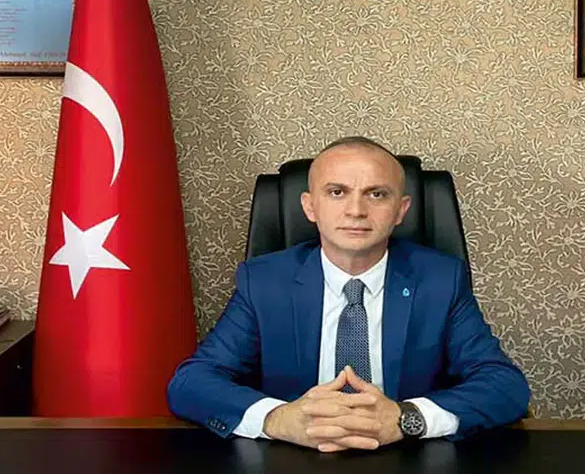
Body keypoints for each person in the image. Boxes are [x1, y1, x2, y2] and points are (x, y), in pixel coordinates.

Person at [167, 136, 530, 451]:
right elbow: (192, 382)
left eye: (377, 194)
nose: (356, 211)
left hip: (407, 457)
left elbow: (504, 385)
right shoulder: (264, 282)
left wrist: (407, 418)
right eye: (337, 192)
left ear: (401, 210)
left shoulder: (440, 280)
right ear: (310, 206)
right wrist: (279, 419)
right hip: (293, 458)